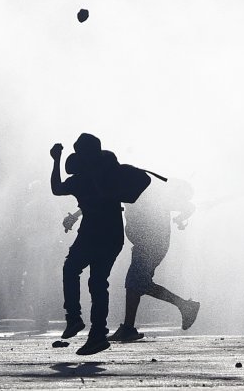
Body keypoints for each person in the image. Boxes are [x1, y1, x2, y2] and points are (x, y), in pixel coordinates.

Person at [49, 133, 129, 356]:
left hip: (92, 234)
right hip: (113, 235)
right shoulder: (110, 173)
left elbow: (56, 188)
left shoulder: (80, 179)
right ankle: (98, 335)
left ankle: (74, 318)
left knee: (71, 269)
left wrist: (56, 160)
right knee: (98, 282)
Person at [109, 178, 200, 341]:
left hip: (151, 245)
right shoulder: (137, 190)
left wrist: (180, 217)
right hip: (147, 244)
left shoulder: (150, 195)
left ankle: (185, 306)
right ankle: (129, 328)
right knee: (135, 285)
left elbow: (189, 206)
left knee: (135, 283)